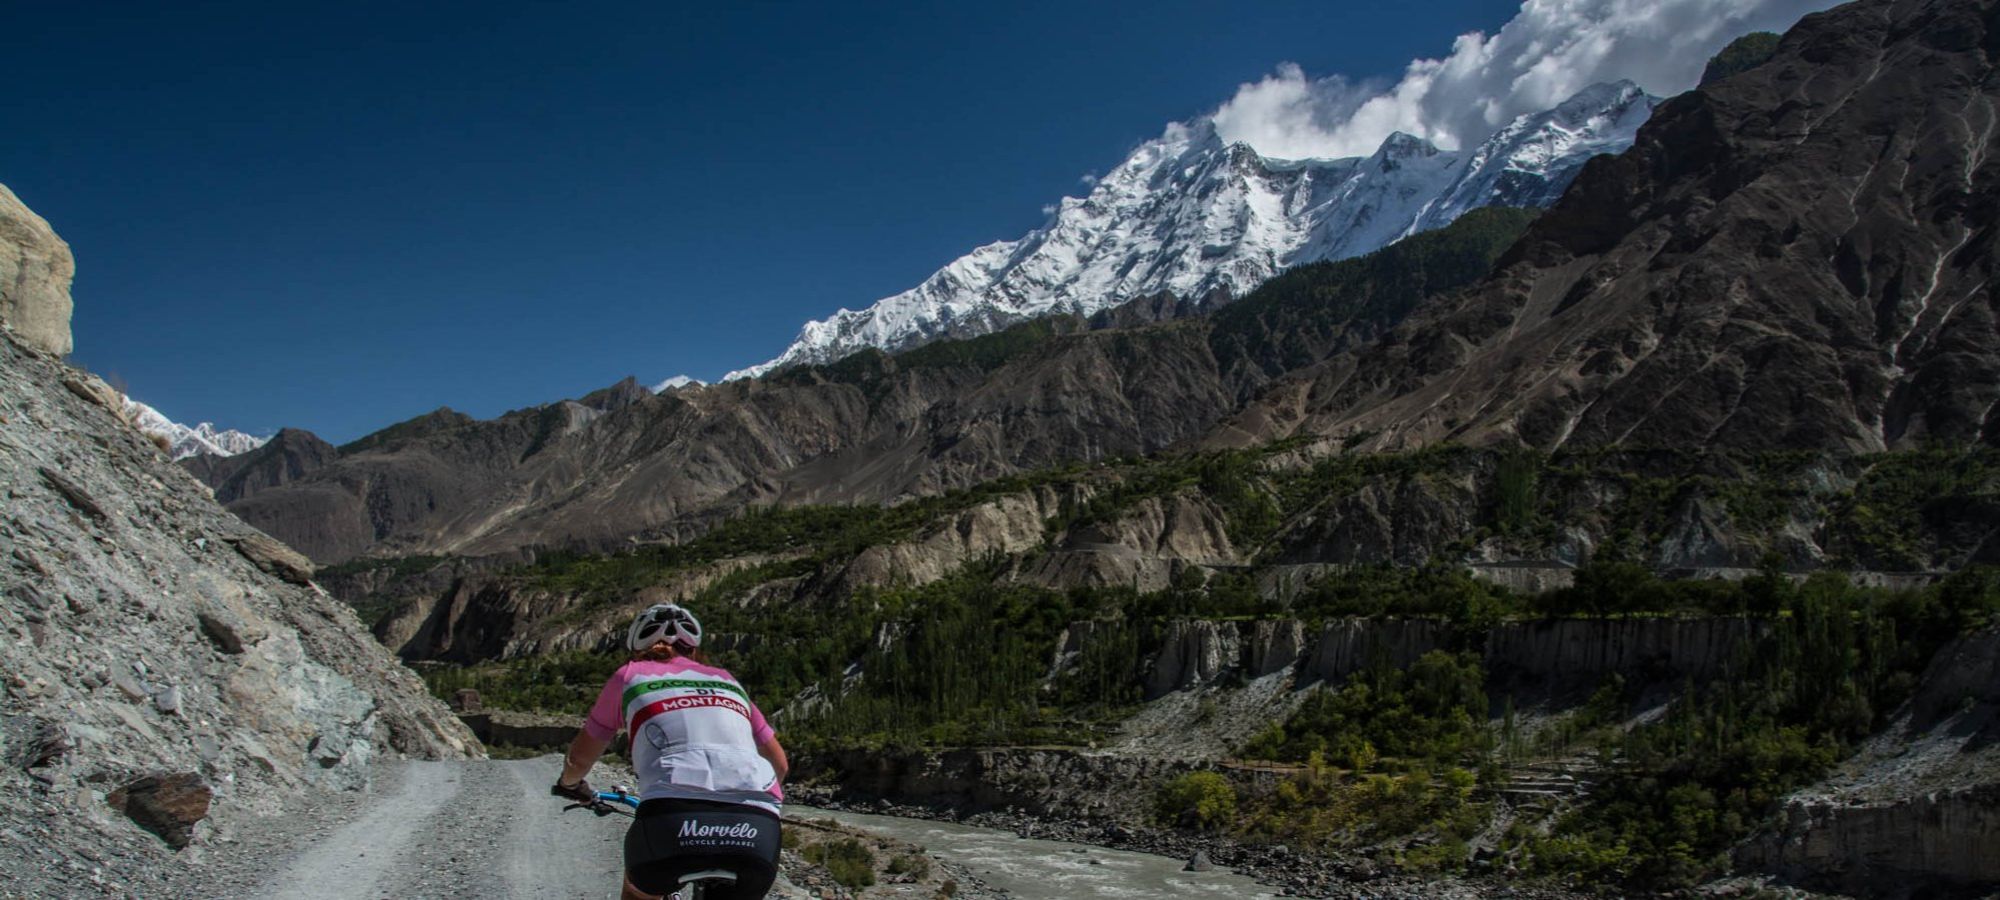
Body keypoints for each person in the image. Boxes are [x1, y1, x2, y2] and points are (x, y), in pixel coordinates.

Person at [554, 603, 788, 900]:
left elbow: (578, 759)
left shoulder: (630, 676)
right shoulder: (726, 680)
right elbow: (779, 764)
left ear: (638, 649)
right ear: (693, 650)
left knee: (640, 887)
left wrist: (570, 784)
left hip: (672, 822)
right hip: (757, 831)